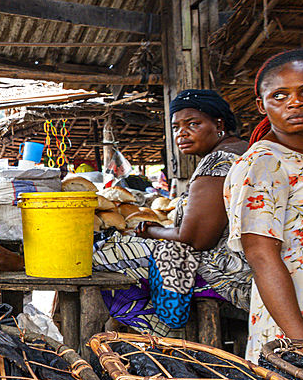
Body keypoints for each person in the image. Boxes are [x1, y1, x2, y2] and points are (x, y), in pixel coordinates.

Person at [93, 89, 252, 335]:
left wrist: (154, 231)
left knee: (99, 260)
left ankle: (164, 336)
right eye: (176, 127)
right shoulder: (245, 150)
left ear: (219, 123)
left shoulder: (218, 161)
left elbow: (197, 238)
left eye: (193, 124)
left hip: (228, 269)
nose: (182, 133)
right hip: (249, 262)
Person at [225, 49, 303, 361]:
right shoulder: (264, 163)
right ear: (261, 105)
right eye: (279, 95)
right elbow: (261, 255)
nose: (295, 102)